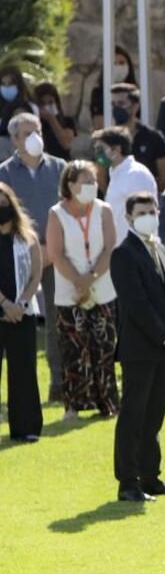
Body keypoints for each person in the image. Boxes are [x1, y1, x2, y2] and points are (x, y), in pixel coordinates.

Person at [110, 192, 165, 502]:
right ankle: (128, 482)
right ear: (128, 218)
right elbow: (136, 304)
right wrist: (164, 336)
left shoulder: (160, 248)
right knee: (134, 416)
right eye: (142, 212)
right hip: (140, 349)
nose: (149, 216)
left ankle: (150, 476)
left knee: (154, 416)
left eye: (152, 210)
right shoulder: (124, 254)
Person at [0, 112, 65, 400]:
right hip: (15, 257)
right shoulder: (4, 173)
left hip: (55, 253)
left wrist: (52, 248)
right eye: (26, 133)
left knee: (56, 319)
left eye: (36, 130)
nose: (34, 137)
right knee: (12, 317)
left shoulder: (60, 168)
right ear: (14, 139)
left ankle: (59, 383)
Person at [46, 160, 118, 420]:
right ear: (70, 184)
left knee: (104, 348)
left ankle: (107, 404)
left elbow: (110, 246)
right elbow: (56, 253)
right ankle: (73, 406)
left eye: (94, 182)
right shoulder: (57, 213)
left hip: (102, 288)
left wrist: (91, 278)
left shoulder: (104, 210)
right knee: (74, 350)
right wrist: (79, 281)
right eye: (86, 182)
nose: (92, 186)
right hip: (70, 293)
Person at [0, 182, 43, 442]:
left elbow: (36, 273)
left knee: (24, 370)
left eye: (4, 203)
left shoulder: (27, 236)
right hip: (4, 307)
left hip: (23, 313)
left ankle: (25, 427)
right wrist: (5, 304)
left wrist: (21, 304)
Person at [98, 127, 158, 246]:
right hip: (120, 250)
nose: (97, 153)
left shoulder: (136, 174)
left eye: (101, 148)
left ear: (116, 150)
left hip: (135, 252)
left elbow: (144, 217)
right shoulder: (117, 174)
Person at [109, 84, 165, 191]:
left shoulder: (153, 137)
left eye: (121, 103)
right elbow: (100, 173)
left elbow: (164, 175)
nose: (116, 108)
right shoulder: (107, 138)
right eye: (113, 104)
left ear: (135, 106)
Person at [89, 45, 135, 131]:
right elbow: (99, 126)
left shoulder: (135, 93)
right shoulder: (98, 92)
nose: (118, 67)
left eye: (122, 63)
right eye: (114, 63)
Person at [34, 82, 77, 160]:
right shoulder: (33, 124)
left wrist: (51, 118)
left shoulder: (67, 121)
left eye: (50, 102)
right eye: (43, 104)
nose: (46, 107)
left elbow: (66, 143)